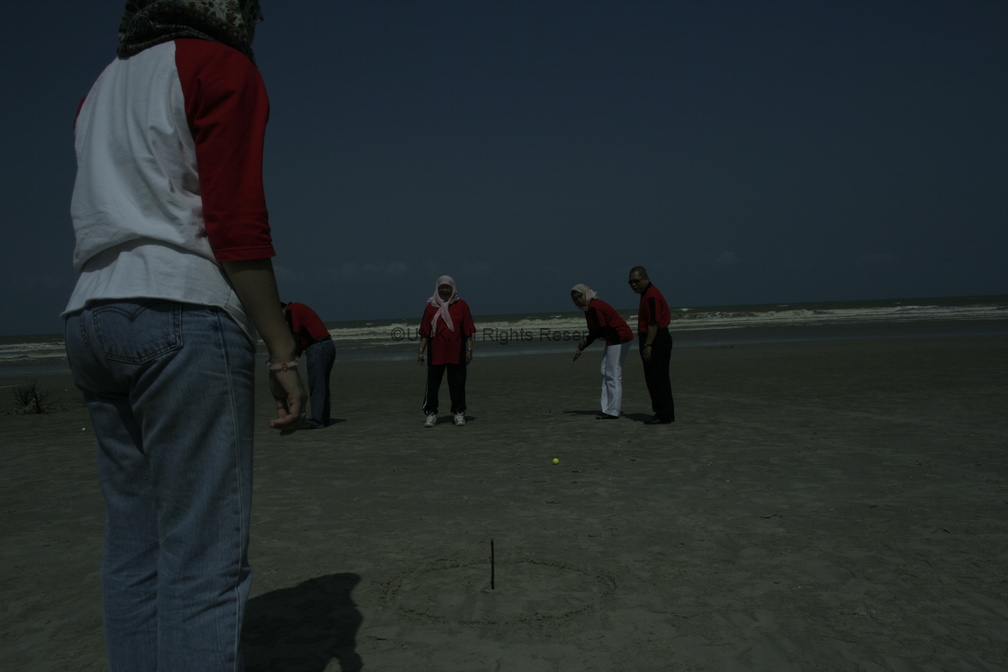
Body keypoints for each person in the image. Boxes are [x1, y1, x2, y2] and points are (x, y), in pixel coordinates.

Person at [62, 2, 308, 669]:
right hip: (179, 307)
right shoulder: (220, 64)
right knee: (203, 562)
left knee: (134, 550)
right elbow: (236, 223)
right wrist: (282, 350)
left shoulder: (102, 85)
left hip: (90, 312)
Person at [416, 276, 476, 427]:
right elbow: (425, 332)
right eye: (442, 287)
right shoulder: (431, 307)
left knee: (457, 384)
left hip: (457, 351)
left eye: (447, 287)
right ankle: (431, 413)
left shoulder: (461, 305)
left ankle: (459, 412)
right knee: (433, 384)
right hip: (436, 353)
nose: (444, 290)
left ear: (452, 288)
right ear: (437, 288)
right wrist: (420, 352)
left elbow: (468, 331)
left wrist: (469, 350)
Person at [571, 283, 634, 419]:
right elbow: (594, 331)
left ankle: (613, 410)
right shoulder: (588, 308)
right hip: (612, 339)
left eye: (579, 297)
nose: (578, 301)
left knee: (613, 374)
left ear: (586, 294)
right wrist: (581, 347)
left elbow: (599, 330)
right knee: (605, 370)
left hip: (620, 337)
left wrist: (583, 344)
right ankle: (607, 408)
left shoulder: (594, 306)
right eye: (575, 299)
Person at [628, 266, 675, 424]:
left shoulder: (651, 295)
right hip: (654, 338)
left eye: (636, 281)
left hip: (656, 339)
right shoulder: (646, 294)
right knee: (656, 378)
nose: (633, 284)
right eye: (631, 282)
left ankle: (663, 414)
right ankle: (664, 413)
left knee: (657, 378)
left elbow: (654, 322)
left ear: (645, 278)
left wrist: (648, 345)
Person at [283, 302, 336, 429]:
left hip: (318, 347)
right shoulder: (297, 308)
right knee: (321, 384)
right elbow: (301, 341)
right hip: (326, 345)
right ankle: (323, 418)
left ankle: (316, 420)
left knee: (317, 385)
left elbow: (295, 336)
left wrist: (291, 358)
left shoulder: (292, 309)